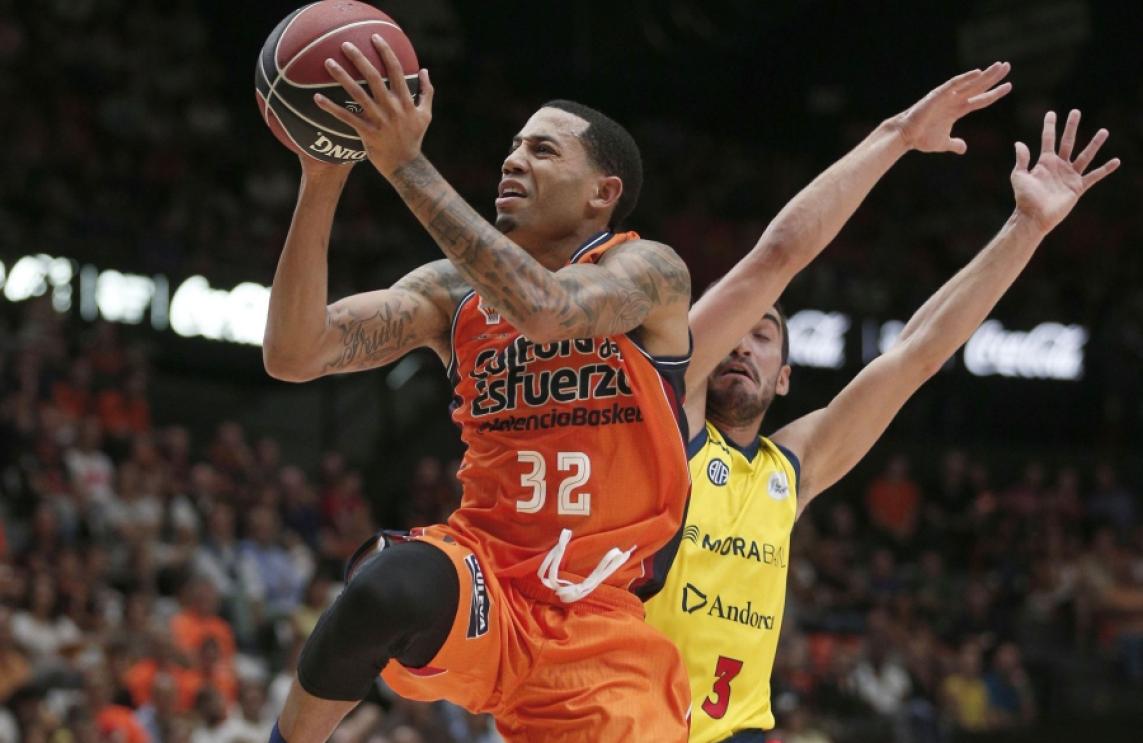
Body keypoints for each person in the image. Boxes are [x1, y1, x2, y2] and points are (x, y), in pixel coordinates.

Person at [645, 80, 1120, 742]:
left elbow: (917, 354)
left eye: (764, 334)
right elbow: (775, 258)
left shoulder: (790, 468)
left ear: (785, 376)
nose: (743, 344)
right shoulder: (670, 420)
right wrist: (895, 135)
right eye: (735, 328)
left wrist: (1026, 229)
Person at [262, 35, 693, 742]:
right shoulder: (452, 292)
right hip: (484, 573)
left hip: (597, 621)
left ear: (603, 193)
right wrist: (323, 177)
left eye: (543, 150)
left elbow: (547, 311)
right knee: (386, 587)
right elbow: (294, 352)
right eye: (513, 147)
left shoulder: (648, 271)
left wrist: (403, 163)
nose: (513, 160)